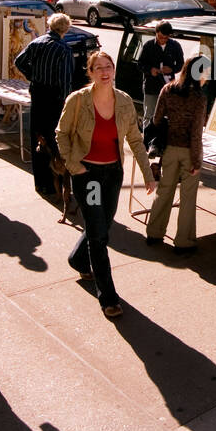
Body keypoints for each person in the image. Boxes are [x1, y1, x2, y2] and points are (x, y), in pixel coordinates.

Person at [56, 51, 157, 319]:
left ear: (114, 70)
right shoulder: (78, 101)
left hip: (113, 174)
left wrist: (148, 174)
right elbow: (62, 134)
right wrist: (73, 166)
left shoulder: (123, 101)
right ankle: (108, 297)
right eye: (98, 68)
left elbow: (135, 139)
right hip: (87, 174)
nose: (104, 72)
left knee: (102, 225)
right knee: (99, 236)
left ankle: (78, 259)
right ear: (89, 72)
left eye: (108, 67)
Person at [146, 57, 208, 255]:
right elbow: (196, 133)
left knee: (164, 191)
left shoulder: (168, 89)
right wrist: (197, 160)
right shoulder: (199, 98)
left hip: (170, 148)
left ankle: (154, 232)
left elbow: (156, 119)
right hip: (189, 150)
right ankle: (184, 240)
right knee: (188, 197)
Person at [16, 12, 75, 198]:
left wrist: (32, 76)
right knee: (54, 140)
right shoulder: (63, 49)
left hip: (38, 94)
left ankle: (40, 183)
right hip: (54, 98)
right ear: (65, 29)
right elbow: (66, 81)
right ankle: (54, 185)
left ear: (50, 26)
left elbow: (19, 62)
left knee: (37, 138)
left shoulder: (37, 42)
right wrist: (67, 103)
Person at [137, 21, 183, 128]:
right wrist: (150, 70)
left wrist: (172, 69)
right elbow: (140, 64)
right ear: (156, 33)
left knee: (168, 116)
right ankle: (147, 141)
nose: (162, 40)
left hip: (168, 87)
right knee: (149, 116)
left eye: (165, 38)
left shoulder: (175, 46)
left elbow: (181, 64)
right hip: (151, 86)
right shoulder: (148, 46)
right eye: (160, 37)